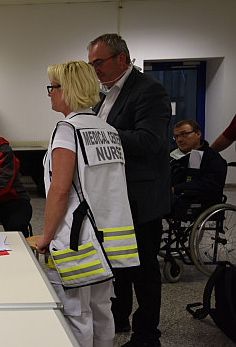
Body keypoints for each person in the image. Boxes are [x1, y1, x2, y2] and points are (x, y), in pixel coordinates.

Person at [36, 60, 139, 347]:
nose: (49, 93)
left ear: (68, 90)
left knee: (76, 312)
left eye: (52, 87)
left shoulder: (67, 131)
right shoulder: (107, 129)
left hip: (77, 239)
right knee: (101, 310)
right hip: (107, 238)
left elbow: (59, 191)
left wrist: (45, 237)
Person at [88, 33, 171, 347]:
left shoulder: (149, 91)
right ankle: (118, 316)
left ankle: (148, 334)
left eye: (99, 62)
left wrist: (102, 133)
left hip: (141, 197)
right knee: (117, 262)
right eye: (91, 63)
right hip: (113, 197)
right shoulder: (104, 95)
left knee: (144, 269)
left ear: (121, 59)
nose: (95, 69)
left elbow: (152, 142)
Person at [170, 119, 227, 217]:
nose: (179, 140)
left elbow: (205, 183)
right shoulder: (173, 155)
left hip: (195, 201)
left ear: (198, 134)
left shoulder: (208, 157)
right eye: (176, 136)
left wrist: (175, 189)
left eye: (184, 134)